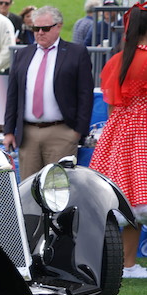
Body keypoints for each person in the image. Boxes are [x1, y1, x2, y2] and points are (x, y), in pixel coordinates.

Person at [89, 2, 147, 278]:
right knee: (139, 198)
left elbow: (112, 105)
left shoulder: (118, 59)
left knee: (122, 196)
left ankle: (119, 263)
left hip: (118, 133)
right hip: (141, 131)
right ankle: (128, 263)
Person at [3, 6, 94, 180]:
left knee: (57, 189)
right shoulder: (23, 54)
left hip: (61, 132)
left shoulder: (76, 53)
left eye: (45, 28)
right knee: (28, 189)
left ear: (58, 26)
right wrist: (8, 131)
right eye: (35, 28)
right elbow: (13, 95)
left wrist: (77, 132)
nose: (40, 33)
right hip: (28, 134)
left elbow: (85, 95)